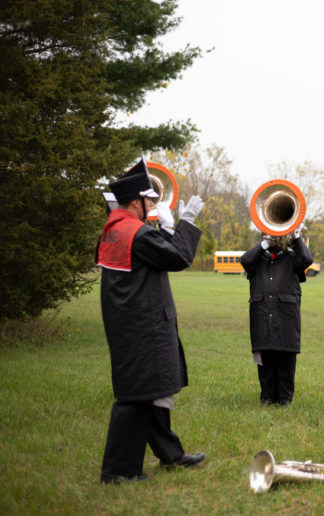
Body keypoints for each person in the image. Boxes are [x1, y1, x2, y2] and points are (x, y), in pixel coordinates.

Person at [96, 158, 206, 484]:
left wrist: (169, 230)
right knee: (135, 398)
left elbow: (155, 258)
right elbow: (178, 257)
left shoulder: (117, 229)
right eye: (150, 199)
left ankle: (169, 454)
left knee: (152, 390)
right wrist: (185, 222)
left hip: (131, 322)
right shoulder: (137, 232)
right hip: (142, 324)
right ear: (135, 201)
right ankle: (117, 471)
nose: (154, 204)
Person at [240, 226, 313, 406]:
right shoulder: (257, 259)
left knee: (285, 360)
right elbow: (245, 260)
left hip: (286, 316)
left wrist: (295, 236)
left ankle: (284, 399)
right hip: (262, 315)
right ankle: (267, 397)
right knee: (265, 360)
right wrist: (265, 242)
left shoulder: (293, 258)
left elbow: (307, 259)